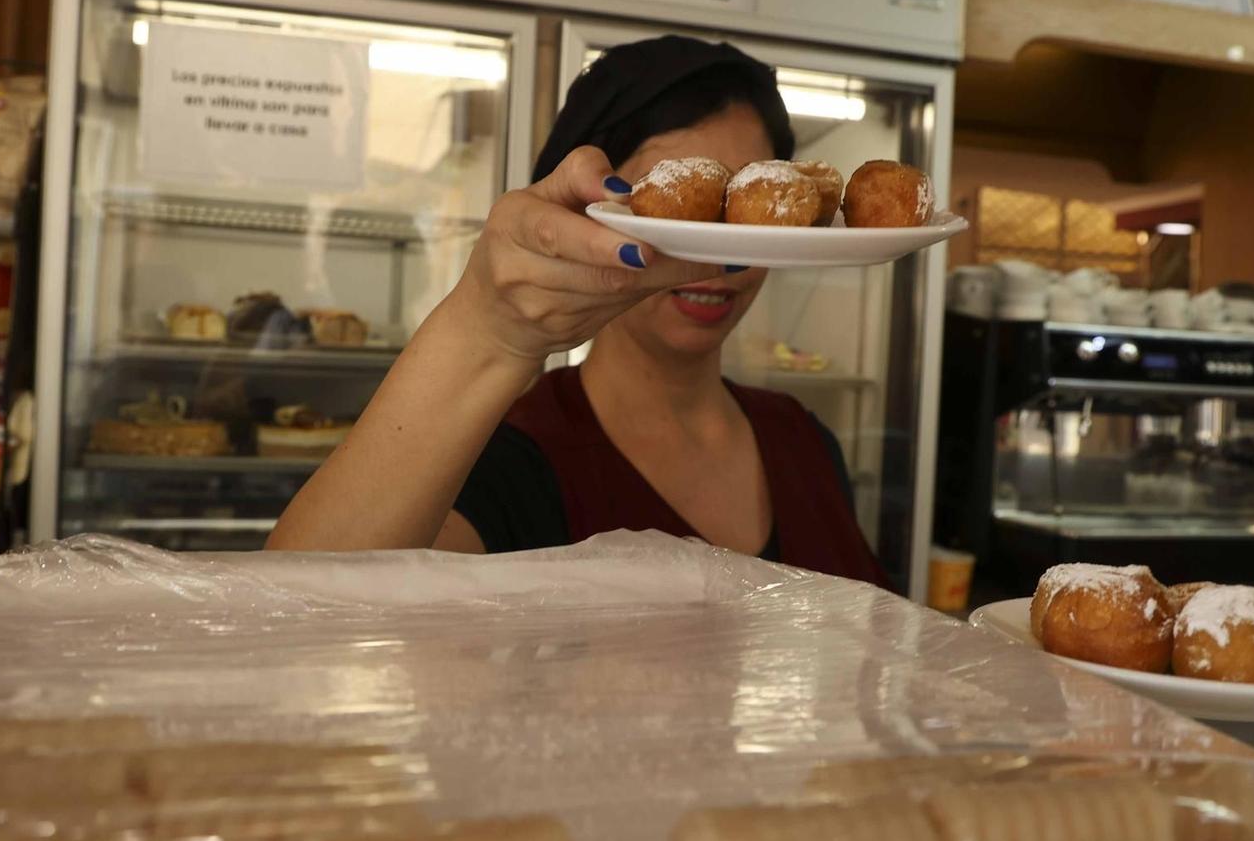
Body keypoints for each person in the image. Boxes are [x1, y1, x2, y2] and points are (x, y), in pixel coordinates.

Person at [267, 34, 882, 582]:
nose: (720, 252)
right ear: (587, 212)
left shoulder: (803, 440)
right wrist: (488, 328)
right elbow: (294, 619)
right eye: (683, 208)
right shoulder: (508, 459)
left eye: (749, 201)